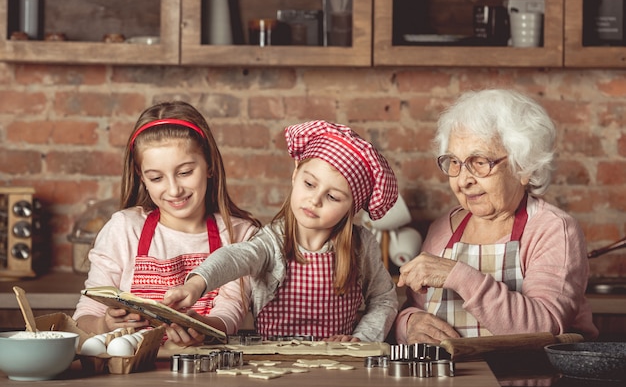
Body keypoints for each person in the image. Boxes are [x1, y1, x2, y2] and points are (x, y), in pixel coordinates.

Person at [163, 120, 399, 342]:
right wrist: (195, 284)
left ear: (352, 208)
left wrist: (360, 340)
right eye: (309, 184)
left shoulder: (362, 246)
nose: (314, 200)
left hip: (337, 364)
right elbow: (234, 257)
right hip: (273, 360)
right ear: (296, 174)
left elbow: (383, 299)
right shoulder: (271, 241)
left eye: (333, 197)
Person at [394, 89, 599, 344]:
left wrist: (458, 276)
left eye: (480, 162)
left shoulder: (553, 229)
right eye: (454, 162)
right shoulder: (442, 230)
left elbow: (546, 329)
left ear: (523, 167)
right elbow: (413, 308)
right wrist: (410, 324)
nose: (464, 180)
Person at [73, 101, 260, 346]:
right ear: (142, 177)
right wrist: (104, 324)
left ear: (209, 166)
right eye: (157, 177)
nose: (174, 189)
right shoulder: (123, 229)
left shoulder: (239, 235)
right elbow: (84, 315)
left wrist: (202, 328)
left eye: (185, 172)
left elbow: (230, 312)